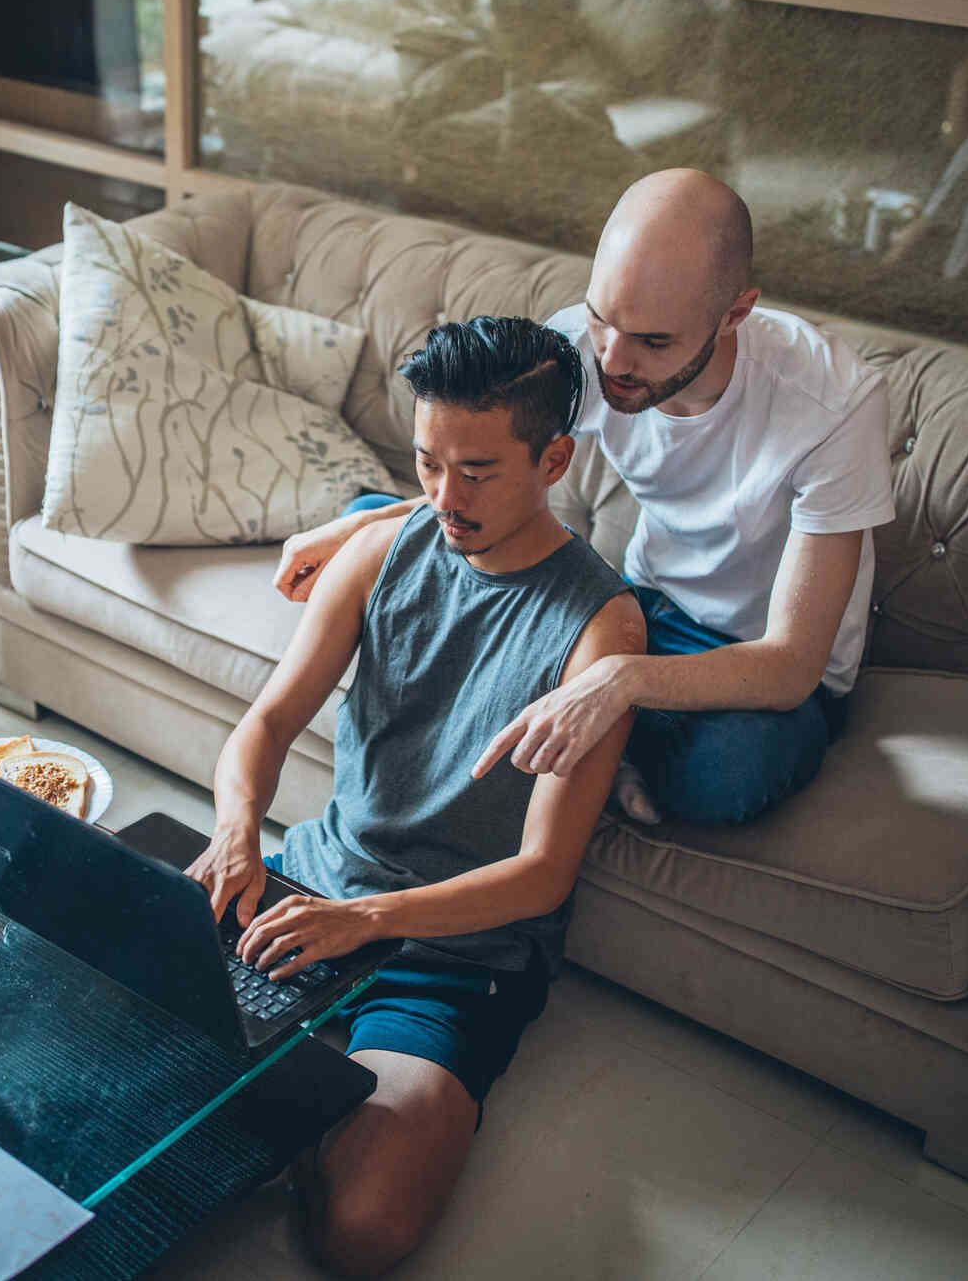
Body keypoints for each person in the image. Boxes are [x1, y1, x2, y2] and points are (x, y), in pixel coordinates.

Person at [187, 316, 643, 1278]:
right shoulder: (380, 548)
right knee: (88, 1009)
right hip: (307, 887)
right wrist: (236, 833)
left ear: (553, 457)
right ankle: (289, 1094)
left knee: (364, 1231)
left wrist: (366, 921)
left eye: (476, 471)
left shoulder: (600, 631)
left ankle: (273, 1099)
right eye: (427, 463)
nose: (444, 496)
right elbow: (264, 727)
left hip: (453, 949)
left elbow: (541, 875)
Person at [275, 169, 895, 826]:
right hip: (635, 605)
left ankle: (584, 729)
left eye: (654, 342)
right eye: (603, 319)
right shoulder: (580, 346)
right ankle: (596, 742)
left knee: (732, 774)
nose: (613, 361)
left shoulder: (833, 404)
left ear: (735, 312)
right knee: (368, 528)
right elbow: (493, 473)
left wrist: (618, 679)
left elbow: (791, 666)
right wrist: (370, 531)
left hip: (752, 667)